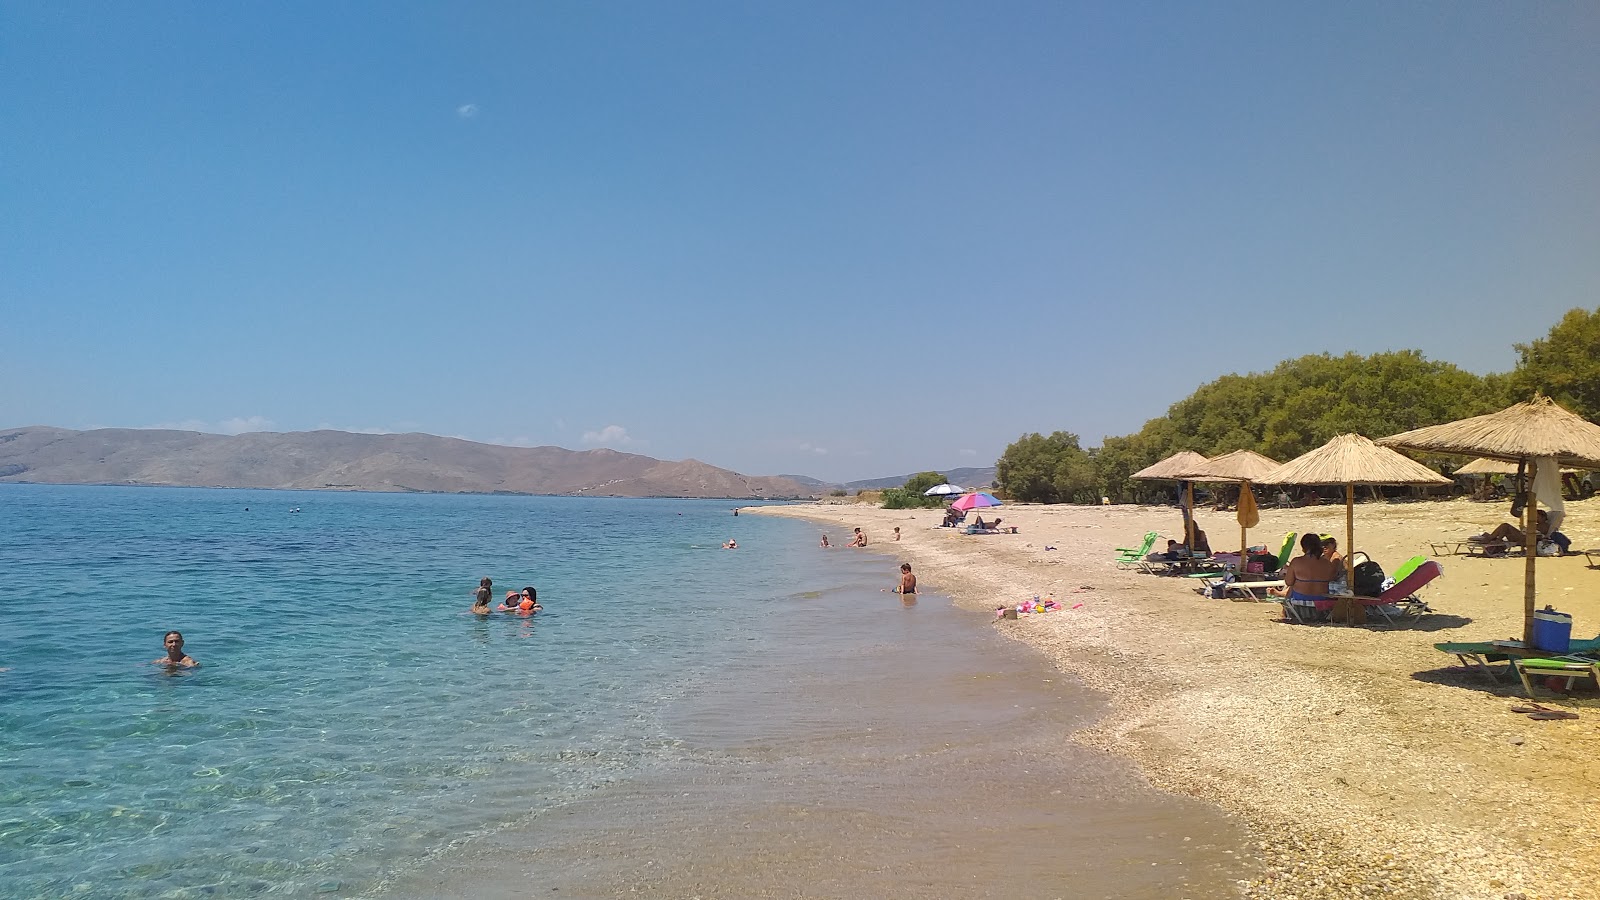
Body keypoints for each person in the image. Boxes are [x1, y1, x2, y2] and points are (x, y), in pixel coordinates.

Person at [1269, 533, 1344, 604]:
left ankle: (1284, 613)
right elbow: (1331, 579)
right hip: (1321, 600)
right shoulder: (1327, 563)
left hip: (1300, 600)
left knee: (1293, 586)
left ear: (1303, 547)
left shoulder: (1296, 561)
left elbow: (1288, 582)